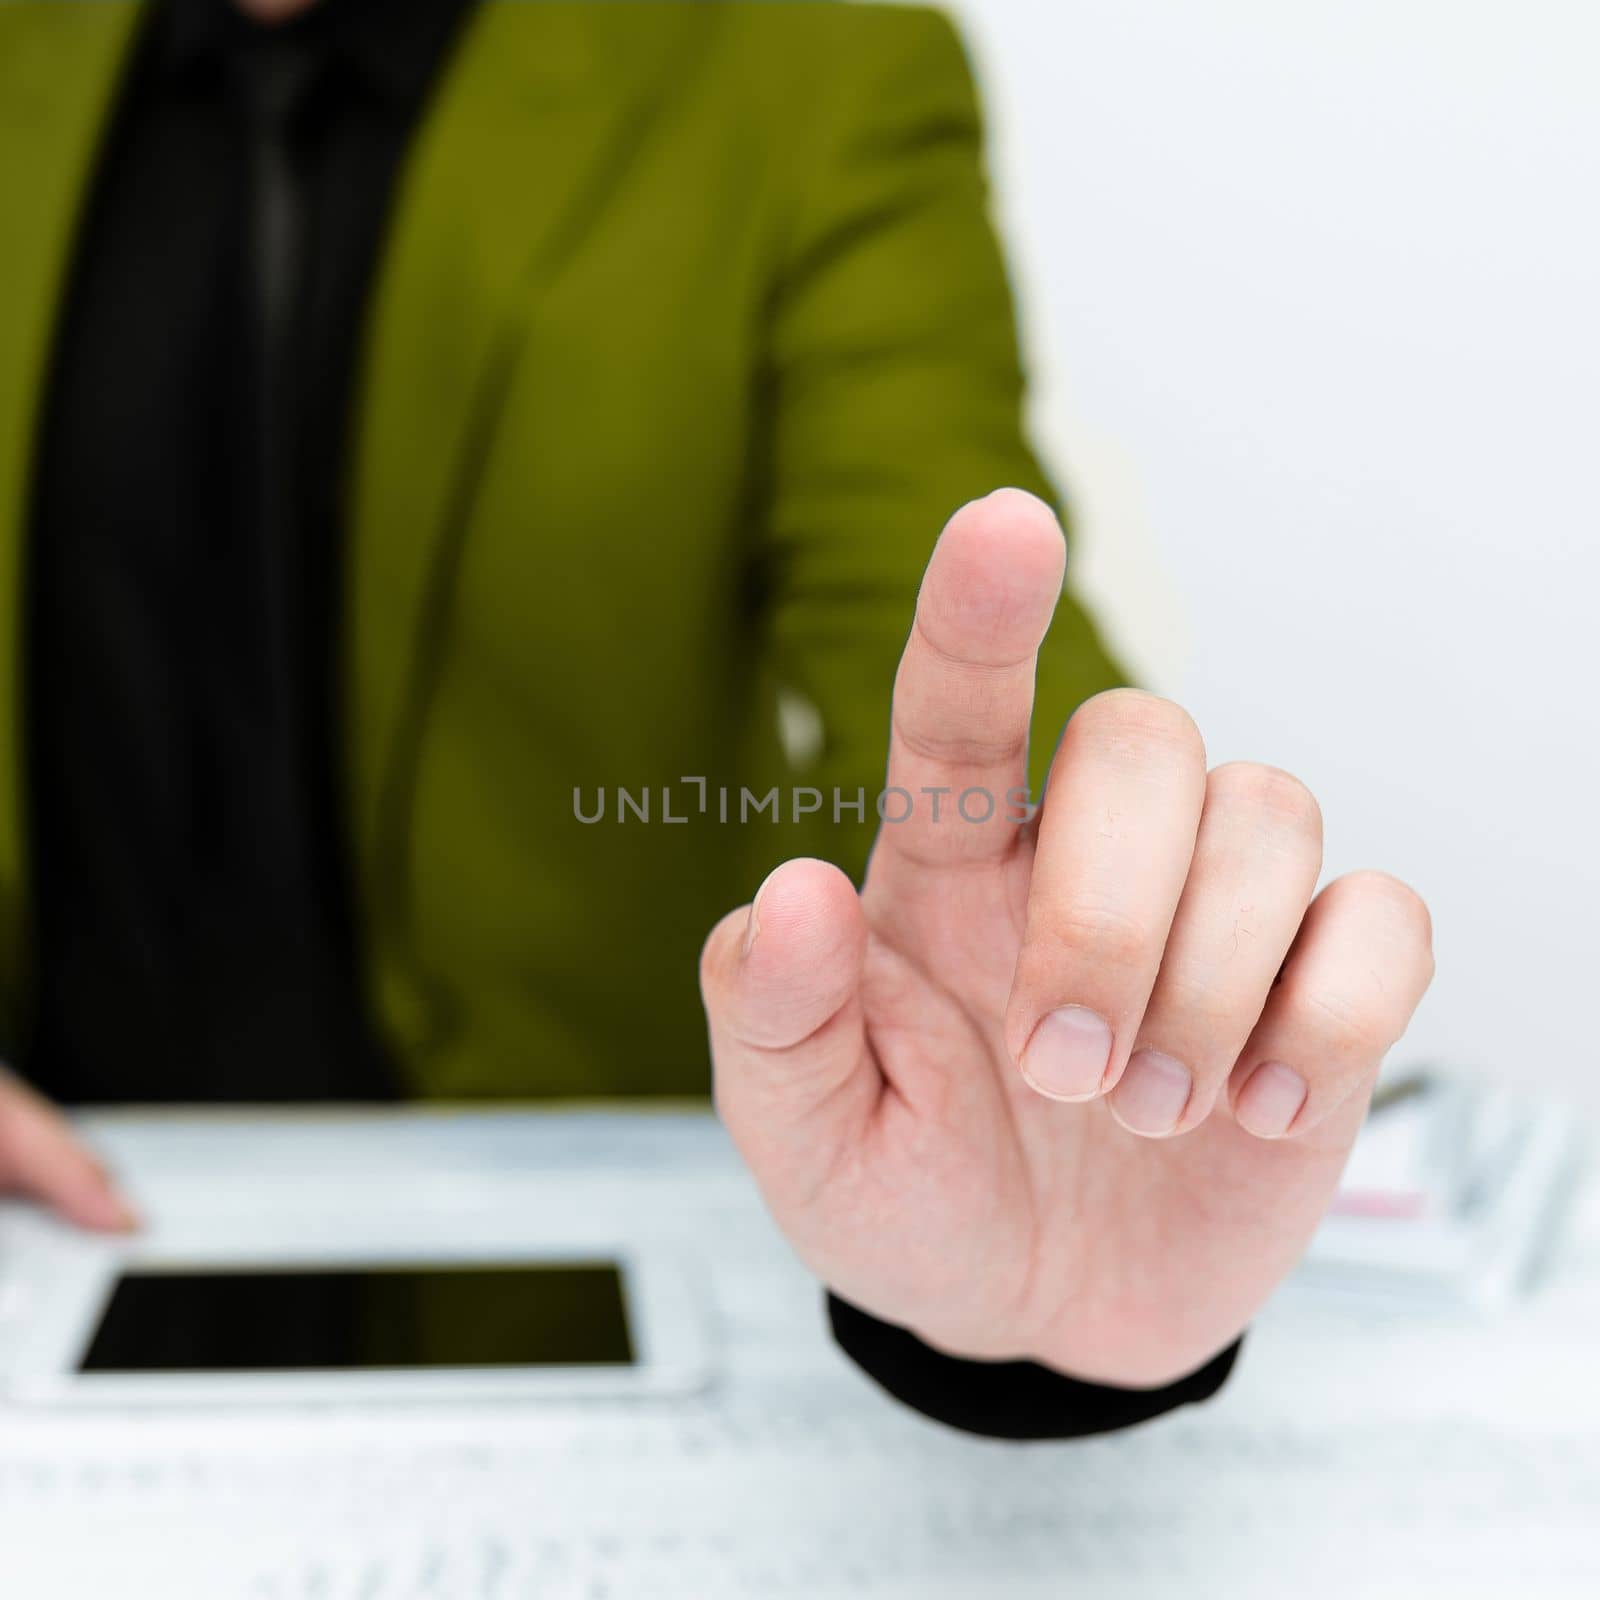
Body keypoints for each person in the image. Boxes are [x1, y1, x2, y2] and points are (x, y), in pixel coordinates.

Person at [0, 0, 1432, 1438]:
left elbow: (929, 597)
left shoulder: (802, 71)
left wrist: (1080, 971)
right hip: (49, 1208)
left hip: (569, 1257)